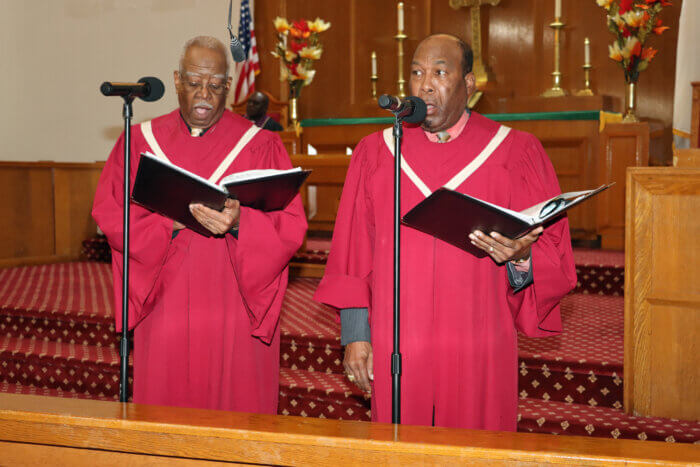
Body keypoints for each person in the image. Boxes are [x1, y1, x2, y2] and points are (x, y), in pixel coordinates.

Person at [314, 34, 576, 430]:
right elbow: (353, 251)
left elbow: (553, 253)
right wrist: (355, 335)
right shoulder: (377, 152)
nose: (425, 85)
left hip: (478, 340)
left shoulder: (513, 153)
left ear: (468, 85)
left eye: (440, 72)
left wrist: (521, 257)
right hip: (398, 339)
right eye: (417, 73)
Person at [92, 36, 307, 413]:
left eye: (215, 84)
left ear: (228, 85)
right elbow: (110, 212)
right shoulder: (140, 141)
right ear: (176, 80)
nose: (203, 93)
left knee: (236, 412)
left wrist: (242, 221)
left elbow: (289, 226)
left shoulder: (259, 145)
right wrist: (168, 223)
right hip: (166, 301)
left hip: (235, 304)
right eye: (193, 82)